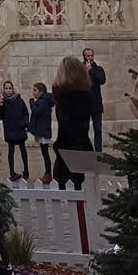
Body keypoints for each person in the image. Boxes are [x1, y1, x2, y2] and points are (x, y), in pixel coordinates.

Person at [52, 56, 93, 190]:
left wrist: (57, 147)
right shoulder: (86, 95)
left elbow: (65, 130)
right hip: (84, 148)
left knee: (72, 196)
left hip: (69, 153)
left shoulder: (64, 99)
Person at [0, 80, 29, 181]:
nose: (8, 90)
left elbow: (26, 112)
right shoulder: (2, 101)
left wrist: (25, 123)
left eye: (10, 88)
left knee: (23, 150)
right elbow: (0, 116)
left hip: (19, 128)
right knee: (11, 151)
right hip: (10, 130)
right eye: (6, 88)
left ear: (13, 89)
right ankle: (12, 172)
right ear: (4, 90)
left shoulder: (19, 100)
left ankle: (26, 170)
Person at [28, 82, 55, 184]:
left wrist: (32, 102)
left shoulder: (42, 101)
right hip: (42, 129)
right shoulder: (42, 100)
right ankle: (47, 173)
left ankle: (48, 173)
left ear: (41, 92)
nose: (33, 92)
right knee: (44, 152)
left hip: (43, 130)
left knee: (45, 152)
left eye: (35, 90)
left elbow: (36, 111)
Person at [82, 46, 106, 153]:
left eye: (92, 55)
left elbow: (102, 80)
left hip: (96, 105)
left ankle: (98, 153)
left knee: (98, 130)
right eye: (88, 56)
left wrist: (91, 70)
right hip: (85, 105)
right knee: (83, 130)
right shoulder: (80, 69)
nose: (90, 58)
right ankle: (86, 152)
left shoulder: (98, 69)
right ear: (84, 57)